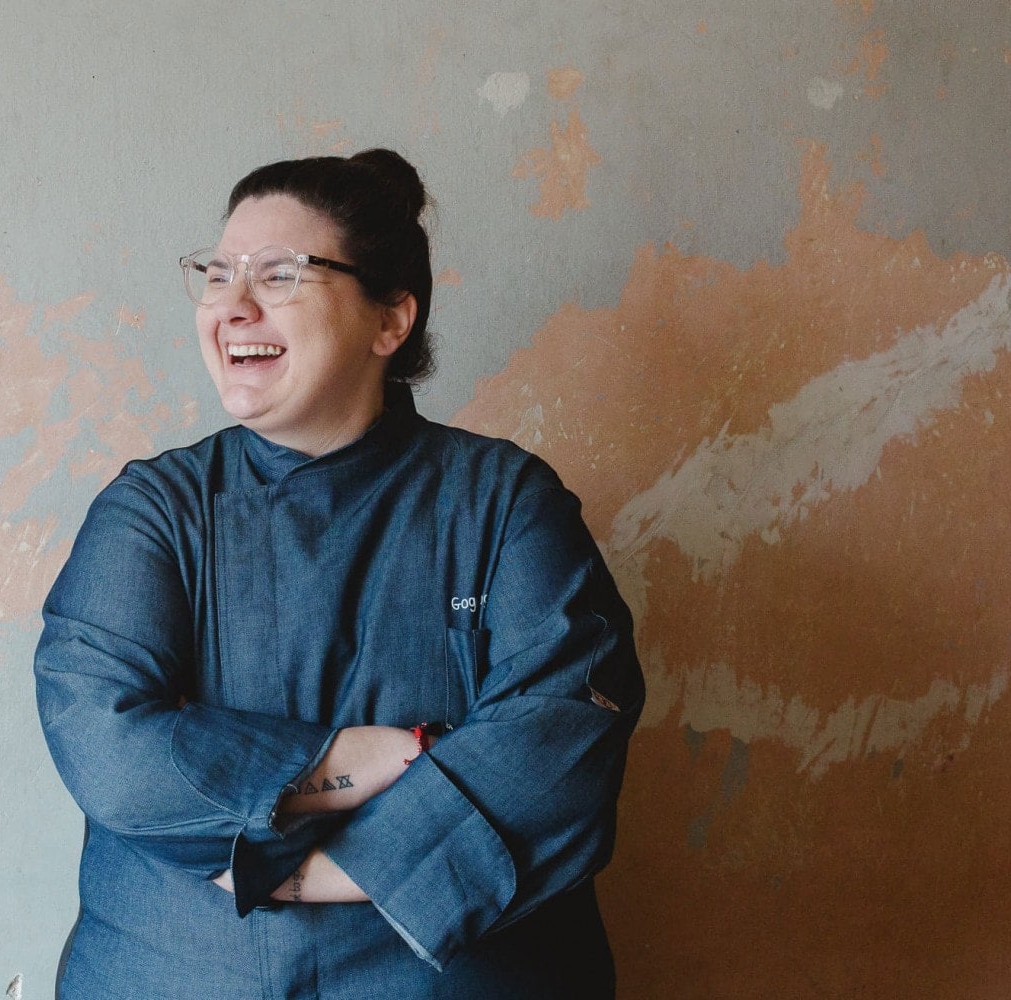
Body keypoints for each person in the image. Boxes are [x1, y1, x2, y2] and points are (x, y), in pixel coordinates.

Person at [34, 149, 644, 999]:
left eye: (279, 273)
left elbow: (565, 739)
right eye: (218, 274)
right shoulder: (153, 511)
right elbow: (107, 746)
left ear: (390, 320)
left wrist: (305, 873)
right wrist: (379, 756)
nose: (233, 305)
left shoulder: (505, 503)